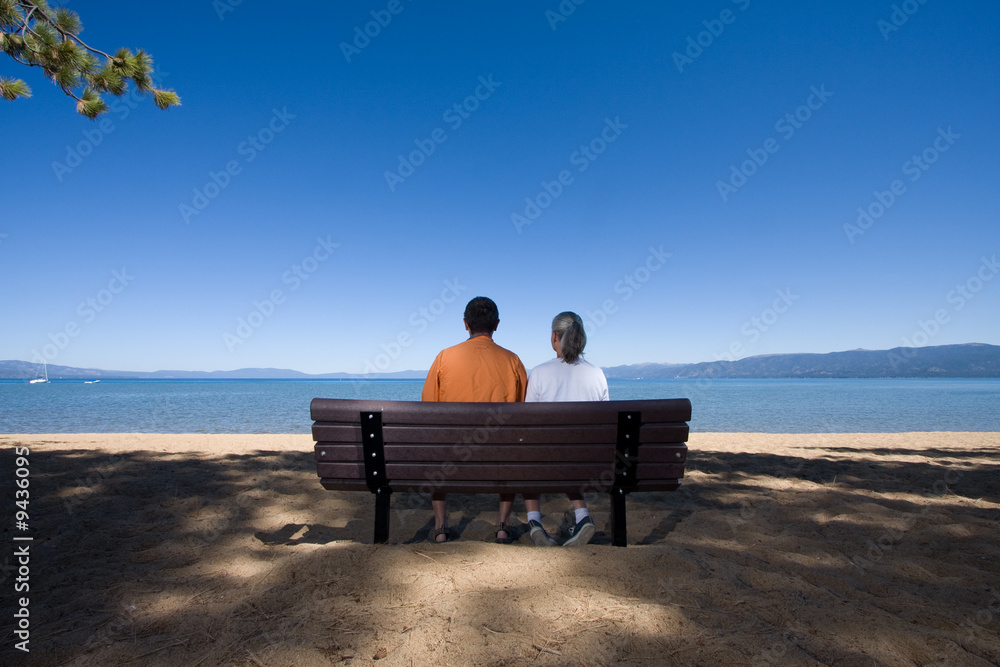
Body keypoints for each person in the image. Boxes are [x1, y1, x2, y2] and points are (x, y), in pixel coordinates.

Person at [421, 296, 527, 543]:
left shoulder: (444, 357)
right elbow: (523, 409)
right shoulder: (513, 360)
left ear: (465, 324)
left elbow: (428, 408)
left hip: (453, 454)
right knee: (511, 445)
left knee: (438, 446)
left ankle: (439, 526)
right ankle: (502, 525)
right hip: (499, 455)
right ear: (497, 324)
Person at [523, 311, 608, 547]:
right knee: (571, 451)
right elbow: (604, 423)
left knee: (526, 454)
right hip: (588, 460)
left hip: (547, 459)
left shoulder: (539, 372)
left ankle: (534, 521)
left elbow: (529, 422)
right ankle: (582, 515)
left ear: (554, 337)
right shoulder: (597, 374)